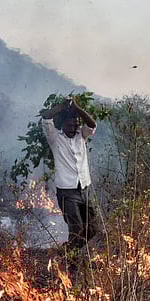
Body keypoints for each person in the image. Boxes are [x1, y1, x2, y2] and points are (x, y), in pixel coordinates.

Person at [39, 97, 100, 252]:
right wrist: (63, 106)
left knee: (93, 228)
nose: (73, 128)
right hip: (67, 192)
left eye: (75, 124)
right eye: (69, 125)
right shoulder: (55, 138)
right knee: (77, 229)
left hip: (84, 188)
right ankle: (71, 260)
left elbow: (92, 124)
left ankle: (70, 252)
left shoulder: (81, 135)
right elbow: (46, 117)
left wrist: (77, 107)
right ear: (62, 125)